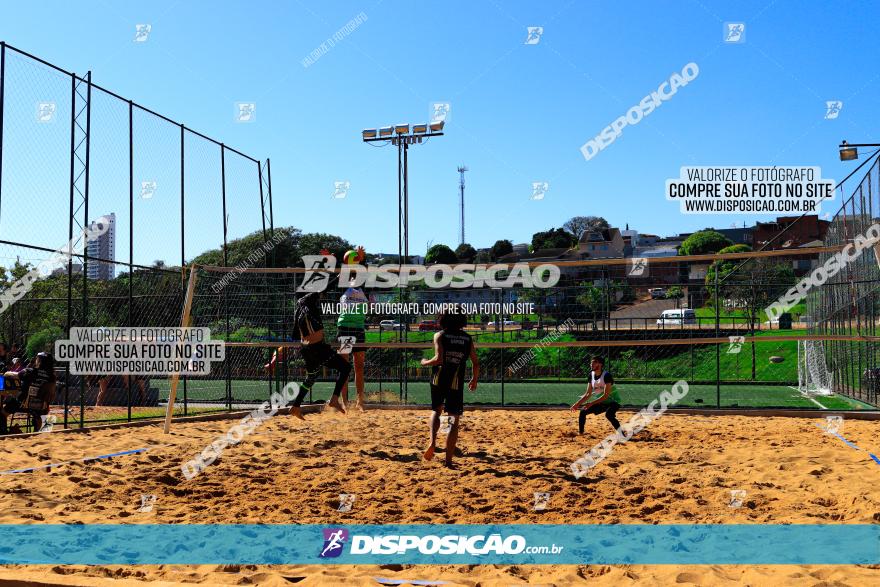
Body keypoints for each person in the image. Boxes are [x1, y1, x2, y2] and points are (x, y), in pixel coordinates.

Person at [420, 310, 479, 468]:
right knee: (453, 420)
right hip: (456, 380)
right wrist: (474, 379)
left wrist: (424, 362)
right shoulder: (467, 338)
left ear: (443, 319)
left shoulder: (439, 335)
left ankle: (432, 442)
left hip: (438, 378)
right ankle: (448, 461)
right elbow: (475, 362)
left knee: (436, 410)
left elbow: (439, 359)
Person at [289, 291, 351, 419]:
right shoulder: (308, 303)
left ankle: (295, 406)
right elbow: (324, 288)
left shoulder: (298, 311)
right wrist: (338, 274)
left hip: (306, 349)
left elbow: (294, 335)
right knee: (345, 368)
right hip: (317, 348)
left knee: (311, 377)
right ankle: (334, 399)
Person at [337, 246, 369, 410]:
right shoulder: (344, 286)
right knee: (344, 367)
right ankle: (344, 401)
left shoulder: (364, 287)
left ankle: (360, 402)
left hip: (358, 329)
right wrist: (356, 260)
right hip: (345, 328)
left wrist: (361, 259)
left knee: (359, 367)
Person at [1, 352, 56, 434]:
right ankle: (43, 431)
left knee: (2, 413)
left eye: (37, 358)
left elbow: (12, 375)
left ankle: (3, 433)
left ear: (40, 361)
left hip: (22, 404)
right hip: (41, 408)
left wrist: (6, 373)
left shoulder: (30, 372)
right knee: (45, 412)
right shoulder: (52, 377)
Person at [570, 356, 621, 434]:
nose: (592, 364)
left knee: (609, 415)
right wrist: (577, 404)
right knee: (583, 411)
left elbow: (606, 395)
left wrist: (591, 403)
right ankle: (581, 433)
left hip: (614, 402)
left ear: (600, 364)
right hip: (602, 402)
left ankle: (622, 434)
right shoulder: (591, 375)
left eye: (595, 362)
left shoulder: (607, 375)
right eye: (591, 362)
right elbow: (588, 394)